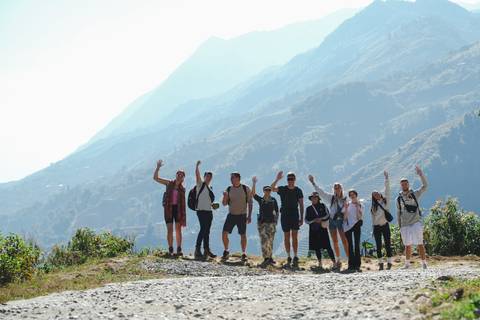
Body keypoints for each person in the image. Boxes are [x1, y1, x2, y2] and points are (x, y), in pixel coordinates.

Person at [308, 175, 349, 270]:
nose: (337, 189)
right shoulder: (331, 198)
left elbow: (347, 209)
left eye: (338, 187)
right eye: (335, 187)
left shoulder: (345, 199)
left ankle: (349, 259)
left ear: (341, 188)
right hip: (332, 221)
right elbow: (321, 192)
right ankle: (338, 260)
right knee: (335, 241)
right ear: (333, 189)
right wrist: (313, 183)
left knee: (344, 241)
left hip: (341, 221)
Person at [397, 166, 428, 269]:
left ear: (408, 184)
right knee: (407, 245)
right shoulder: (399, 198)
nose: (404, 185)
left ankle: (424, 263)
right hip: (405, 224)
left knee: (420, 243)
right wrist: (399, 225)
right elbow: (398, 212)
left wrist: (421, 174)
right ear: (400, 186)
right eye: (402, 184)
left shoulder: (415, 194)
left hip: (415, 222)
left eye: (405, 184)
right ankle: (407, 264)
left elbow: (425, 186)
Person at [153, 160, 186, 256]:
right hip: (168, 209)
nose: (179, 176)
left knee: (178, 230)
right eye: (178, 174)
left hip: (178, 210)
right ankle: (171, 248)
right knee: (170, 229)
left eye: (181, 175)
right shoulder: (169, 183)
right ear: (176, 176)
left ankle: (179, 248)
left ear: (183, 178)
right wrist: (158, 167)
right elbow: (156, 178)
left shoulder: (182, 189)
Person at [271, 171, 304, 268]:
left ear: (295, 180)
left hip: (294, 214)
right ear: (287, 180)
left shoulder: (298, 190)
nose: (290, 181)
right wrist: (277, 179)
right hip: (285, 214)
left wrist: (301, 218)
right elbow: (272, 189)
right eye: (289, 179)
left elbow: (301, 205)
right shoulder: (283, 189)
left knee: (294, 236)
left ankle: (295, 256)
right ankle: (289, 256)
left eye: (292, 179)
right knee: (286, 236)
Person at [221, 172, 253, 262]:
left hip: (242, 215)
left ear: (238, 178)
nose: (231, 180)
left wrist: (249, 215)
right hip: (231, 214)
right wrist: (225, 196)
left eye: (233, 178)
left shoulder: (245, 188)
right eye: (231, 178)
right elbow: (224, 203)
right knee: (224, 233)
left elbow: (250, 202)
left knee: (243, 235)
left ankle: (243, 253)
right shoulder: (229, 189)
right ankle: (226, 251)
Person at [251, 176, 279, 267]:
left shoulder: (273, 200)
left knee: (270, 240)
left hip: (271, 223)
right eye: (266, 190)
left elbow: (277, 211)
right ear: (263, 191)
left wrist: (276, 221)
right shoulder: (261, 200)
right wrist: (254, 183)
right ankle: (266, 258)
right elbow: (253, 194)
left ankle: (270, 257)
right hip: (262, 223)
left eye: (269, 190)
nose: (267, 191)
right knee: (264, 240)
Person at [305, 192, 336, 271]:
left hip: (322, 229)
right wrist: (314, 220)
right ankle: (320, 263)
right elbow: (306, 220)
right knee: (316, 247)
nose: (314, 199)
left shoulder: (323, 206)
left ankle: (334, 262)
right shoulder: (308, 209)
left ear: (318, 199)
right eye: (313, 198)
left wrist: (321, 219)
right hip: (313, 230)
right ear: (311, 199)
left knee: (328, 246)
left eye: (315, 197)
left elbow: (328, 215)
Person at [194, 160, 216, 259]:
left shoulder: (210, 187)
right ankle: (197, 249)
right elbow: (197, 175)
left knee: (207, 231)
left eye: (210, 177)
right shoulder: (200, 184)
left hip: (209, 211)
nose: (209, 178)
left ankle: (206, 250)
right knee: (203, 229)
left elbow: (208, 200)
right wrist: (197, 166)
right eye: (207, 176)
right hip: (201, 211)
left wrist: (213, 205)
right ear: (204, 177)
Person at [371, 171, 393, 270]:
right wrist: (373, 228)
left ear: (380, 194)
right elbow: (373, 218)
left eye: (377, 194)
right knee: (378, 245)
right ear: (373, 198)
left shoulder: (385, 202)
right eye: (374, 195)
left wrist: (386, 179)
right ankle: (380, 263)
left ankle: (389, 262)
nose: (376, 195)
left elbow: (387, 190)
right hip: (376, 227)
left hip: (385, 225)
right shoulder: (373, 207)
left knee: (388, 243)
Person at [343, 189, 363, 272]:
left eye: (353, 194)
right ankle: (351, 265)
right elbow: (345, 218)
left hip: (356, 225)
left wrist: (358, 206)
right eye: (350, 194)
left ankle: (357, 265)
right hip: (347, 227)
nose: (352, 196)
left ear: (356, 195)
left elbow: (359, 217)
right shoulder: (347, 204)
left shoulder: (361, 204)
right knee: (350, 245)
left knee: (357, 244)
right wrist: (346, 208)